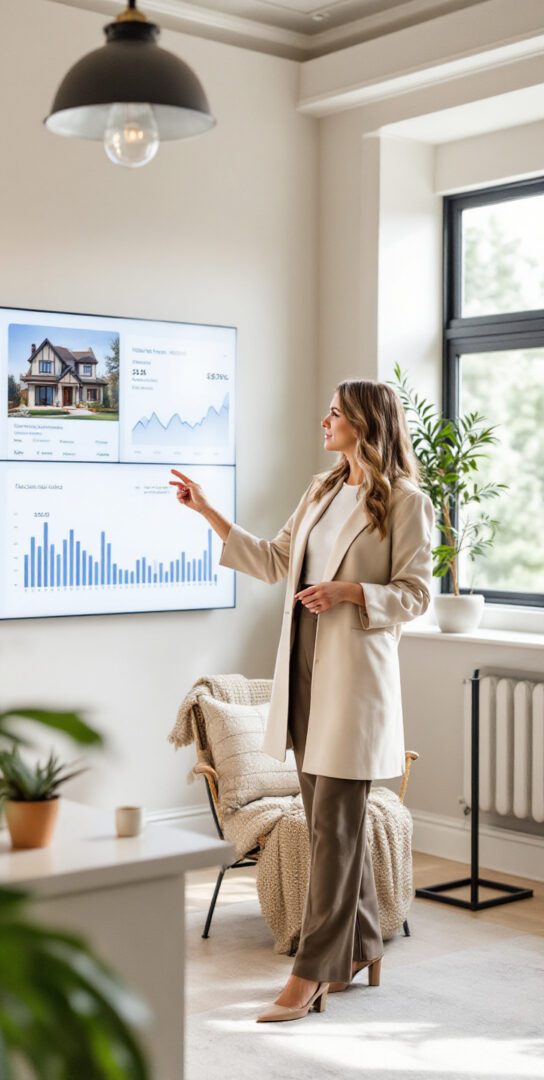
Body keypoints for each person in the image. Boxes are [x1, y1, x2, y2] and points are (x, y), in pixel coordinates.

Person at [169, 379, 435, 1024]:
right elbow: (274, 560)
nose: (325, 420)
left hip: (356, 680)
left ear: (365, 424)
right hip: (304, 673)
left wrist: (351, 594)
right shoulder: (319, 489)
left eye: (337, 413)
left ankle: (311, 974)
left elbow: (417, 594)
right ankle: (363, 945)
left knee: (335, 832)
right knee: (326, 825)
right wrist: (209, 512)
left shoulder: (404, 501)